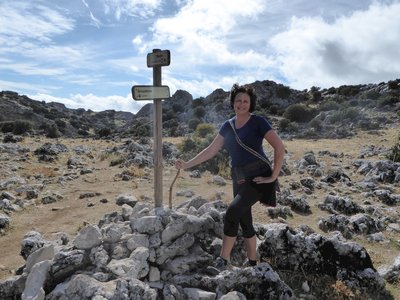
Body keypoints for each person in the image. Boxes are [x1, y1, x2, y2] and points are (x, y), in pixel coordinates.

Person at [175, 83, 285, 272]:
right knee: (244, 220)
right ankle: (253, 264)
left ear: (251, 104)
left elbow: (279, 147)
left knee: (233, 211)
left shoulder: (259, 122)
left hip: (259, 176)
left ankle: (222, 260)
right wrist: (186, 165)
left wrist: (273, 177)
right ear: (233, 103)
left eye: (245, 101)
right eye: (238, 100)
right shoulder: (228, 125)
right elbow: (210, 151)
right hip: (239, 178)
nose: (241, 104)